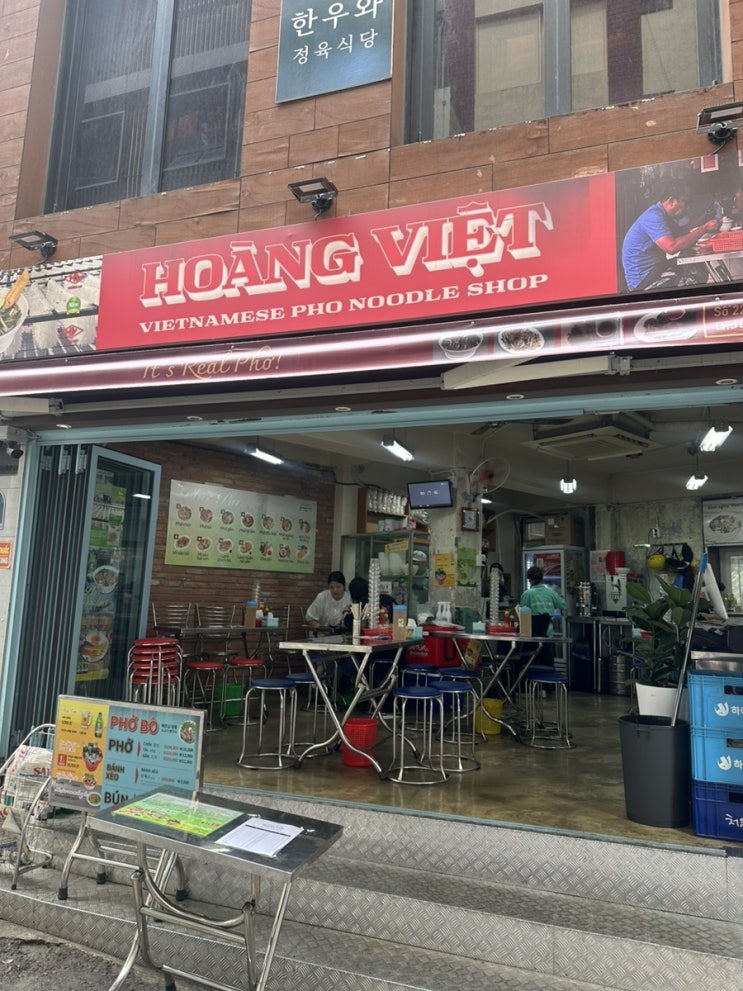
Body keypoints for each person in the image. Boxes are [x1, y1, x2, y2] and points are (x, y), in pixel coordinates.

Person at [621, 187, 720, 291]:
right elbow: (671, 247)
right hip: (644, 282)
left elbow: (683, 233)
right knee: (695, 276)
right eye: (685, 202)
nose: (688, 208)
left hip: (655, 271)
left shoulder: (662, 214)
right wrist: (704, 228)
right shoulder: (653, 216)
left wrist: (704, 220)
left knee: (696, 266)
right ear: (671, 201)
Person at [520, 566, 567, 639]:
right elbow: (563, 605)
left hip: (532, 633)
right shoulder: (551, 593)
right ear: (542, 579)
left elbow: (522, 613)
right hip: (548, 633)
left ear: (530, 580)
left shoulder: (526, 594)